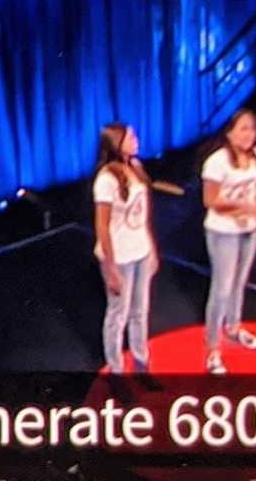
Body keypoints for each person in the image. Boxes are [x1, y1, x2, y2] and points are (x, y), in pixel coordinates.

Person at [201, 109, 256, 375]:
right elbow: (211, 200)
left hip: (248, 229)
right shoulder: (217, 162)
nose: (249, 134)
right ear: (230, 133)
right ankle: (212, 349)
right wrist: (243, 207)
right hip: (223, 232)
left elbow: (255, 188)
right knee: (221, 289)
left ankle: (233, 328)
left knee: (239, 283)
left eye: (252, 128)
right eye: (243, 128)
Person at [93, 123, 157, 375]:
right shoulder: (106, 179)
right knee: (118, 314)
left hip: (140, 251)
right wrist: (110, 268)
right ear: (116, 143)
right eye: (130, 137)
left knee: (140, 311)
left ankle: (142, 364)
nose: (136, 139)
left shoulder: (136, 167)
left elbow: (143, 215)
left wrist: (151, 248)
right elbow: (102, 225)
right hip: (119, 256)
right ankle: (116, 370)